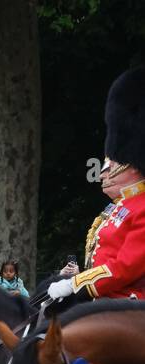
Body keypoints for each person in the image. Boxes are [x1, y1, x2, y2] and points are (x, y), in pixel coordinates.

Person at [49, 68, 145, 305]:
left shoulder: (141, 208)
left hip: (129, 303)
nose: (105, 171)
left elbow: (125, 267)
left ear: (133, 165)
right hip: (105, 299)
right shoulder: (120, 207)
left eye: (114, 162)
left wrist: (76, 284)